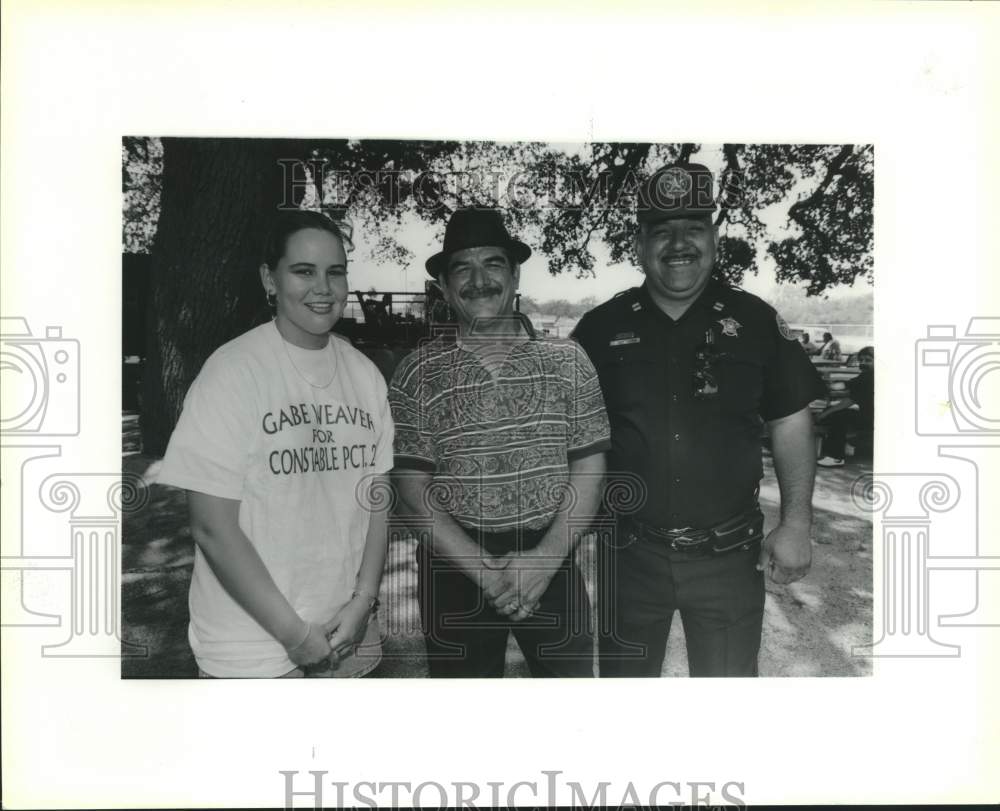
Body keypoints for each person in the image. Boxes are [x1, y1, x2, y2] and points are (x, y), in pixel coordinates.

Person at [573, 163, 825, 677]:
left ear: (714, 237)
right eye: (661, 231)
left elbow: (791, 421)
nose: (678, 243)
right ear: (640, 245)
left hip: (729, 558)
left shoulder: (755, 322)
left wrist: (796, 523)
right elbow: (567, 435)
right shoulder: (599, 330)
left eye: (693, 228)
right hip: (630, 557)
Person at [157, 210, 394, 678]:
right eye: (303, 271)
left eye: (335, 271)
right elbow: (211, 527)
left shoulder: (364, 375)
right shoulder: (232, 372)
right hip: (255, 651)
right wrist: (294, 634)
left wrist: (364, 600)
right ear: (270, 279)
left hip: (352, 635)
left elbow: (377, 501)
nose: (322, 288)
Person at [388, 208, 610, 677]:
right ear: (445, 288)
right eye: (461, 269)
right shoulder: (416, 372)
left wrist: (545, 562)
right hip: (453, 565)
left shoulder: (568, 360)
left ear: (514, 275)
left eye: (492, 263)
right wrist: (486, 573)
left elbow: (589, 469)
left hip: (550, 556)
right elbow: (411, 488)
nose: (479, 279)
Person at [816, 346, 874, 467]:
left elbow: (849, 401)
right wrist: (827, 387)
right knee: (837, 412)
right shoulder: (867, 376)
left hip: (871, 420)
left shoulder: (869, 377)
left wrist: (824, 414)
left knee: (838, 415)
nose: (863, 363)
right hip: (872, 416)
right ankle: (848, 443)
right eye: (861, 360)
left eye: (868, 360)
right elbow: (846, 385)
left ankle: (836, 457)